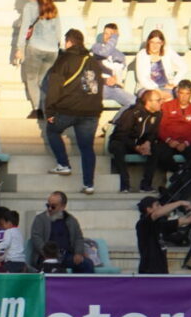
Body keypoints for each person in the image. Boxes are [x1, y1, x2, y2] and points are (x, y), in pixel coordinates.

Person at [44, 29, 103, 195]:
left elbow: (54, 87)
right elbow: (96, 87)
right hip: (91, 112)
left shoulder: (63, 60)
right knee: (87, 147)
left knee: (52, 130)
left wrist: (49, 111)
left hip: (67, 109)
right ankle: (89, 184)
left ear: (69, 42)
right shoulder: (92, 61)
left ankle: (63, 164)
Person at [109, 90, 162, 193]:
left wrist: (148, 143)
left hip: (141, 143)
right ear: (148, 102)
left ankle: (146, 185)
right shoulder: (132, 113)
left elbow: (154, 133)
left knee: (157, 149)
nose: (161, 102)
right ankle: (124, 184)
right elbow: (120, 135)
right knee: (117, 147)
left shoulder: (158, 114)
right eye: (158, 100)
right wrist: (135, 147)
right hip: (123, 142)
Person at [29, 190, 95, 273]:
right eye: (48, 205)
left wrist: (78, 253)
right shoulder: (40, 219)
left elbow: (78, 238)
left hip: (66, 256)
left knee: (87, 264)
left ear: (62, 207)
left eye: (53, 206)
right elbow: (36, 238)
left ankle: (82, 286)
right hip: (47, 256)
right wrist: (47, 253)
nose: (49, 209)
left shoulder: (71, 220)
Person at [14, 0, 60, 118]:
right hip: (52, 50)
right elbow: (58, 31)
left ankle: (37, 109)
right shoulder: (53, 6)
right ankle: (47, 109)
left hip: (36, 48)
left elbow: (24, 29)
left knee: (32, 80)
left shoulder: (29, 6)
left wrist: (20, 48)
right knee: (42, 81)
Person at [135, 196, 191, 274]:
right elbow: (157, 213)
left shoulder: (161, 225)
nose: (161, 207)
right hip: (149, 272)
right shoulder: (142, 224)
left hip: (162, 271)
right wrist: (180, 202)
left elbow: (187, 220)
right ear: (149, 209)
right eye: (157, 205)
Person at [154, 80, 191, 176]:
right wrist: (169, 140)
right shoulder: (166, 106)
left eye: (187, 93)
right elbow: (160, 127)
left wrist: (185, 143)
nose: (184, 96)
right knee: (161, 154)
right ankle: (178, 172)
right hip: (168, 142)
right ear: (177, 93)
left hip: (186, 143)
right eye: (181, 93)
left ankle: (187, 175)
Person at [91, 23, 134, 110]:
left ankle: (116, 121)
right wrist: (114, 37)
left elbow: (119, 74)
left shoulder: (120, 55)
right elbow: (105, 52)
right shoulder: (96, 47)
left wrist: (115, 80)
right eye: (106, 33)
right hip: (99, 87)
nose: (108, 36)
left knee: (134, 102)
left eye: (111, 34)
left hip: (114, 89)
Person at [135, 29, 186, 103]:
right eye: (152, 42)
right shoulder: (142, 55)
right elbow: (142, 79)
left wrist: (174, 82)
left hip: (166, 87)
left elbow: (184, 66)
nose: (155, 46)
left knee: (177, 97)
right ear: (148, 42)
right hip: (147, 88)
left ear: (162, 43)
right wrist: (158, 91)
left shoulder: (168, 51)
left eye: (158, 43)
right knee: (155, 99)